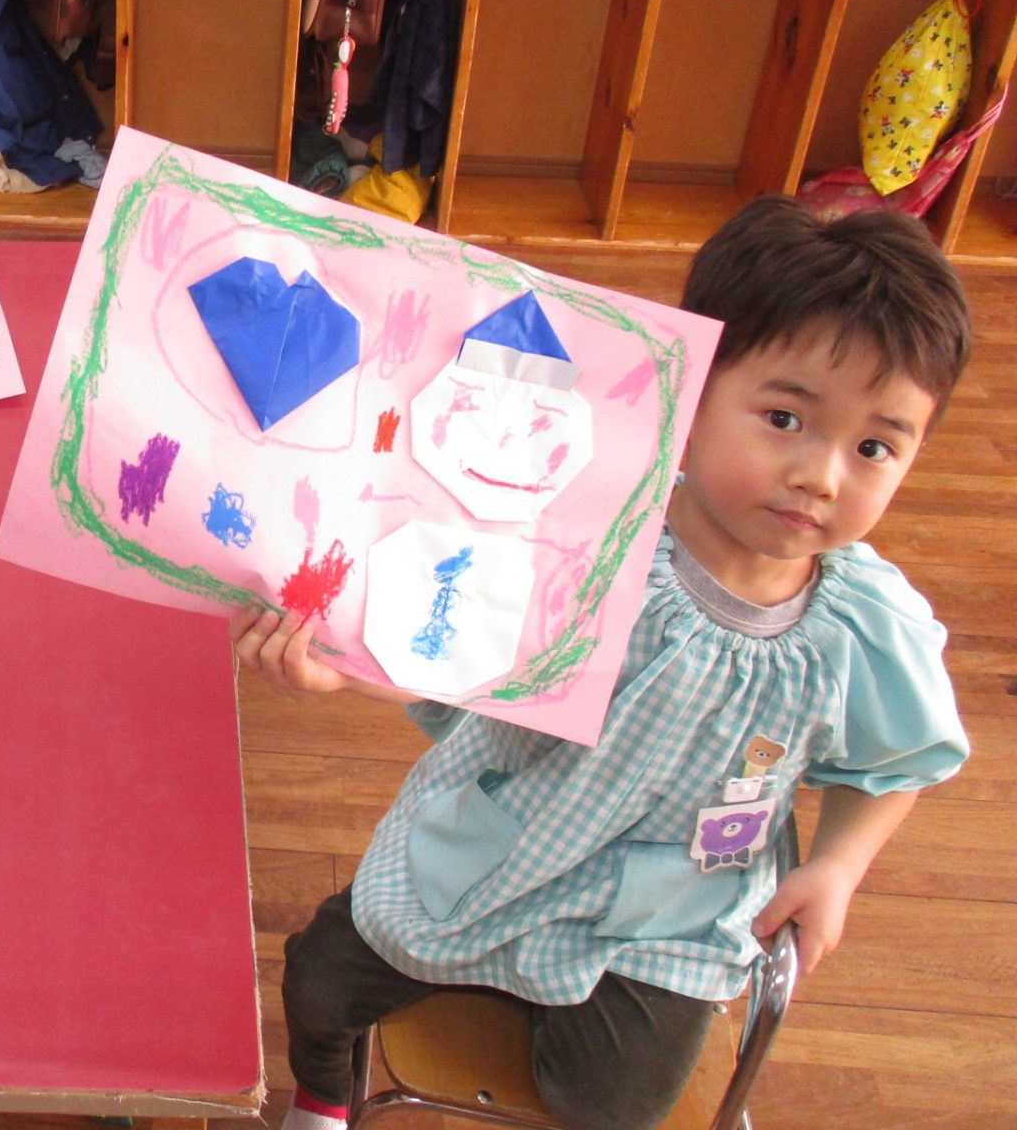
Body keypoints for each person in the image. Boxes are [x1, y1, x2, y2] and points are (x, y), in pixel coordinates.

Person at [232, 197, 972, 1130]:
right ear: (691, 395)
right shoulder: (584, 527)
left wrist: (838, 867)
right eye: (785, 417)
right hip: (496, 844)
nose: (822, 476)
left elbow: (894, 764)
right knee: (320, 981)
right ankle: (321, 1102)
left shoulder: (865, 626)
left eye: (875, 446)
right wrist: (344, 669)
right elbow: (456, 645)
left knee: (608, 1102)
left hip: (670, 914)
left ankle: (532, 995)